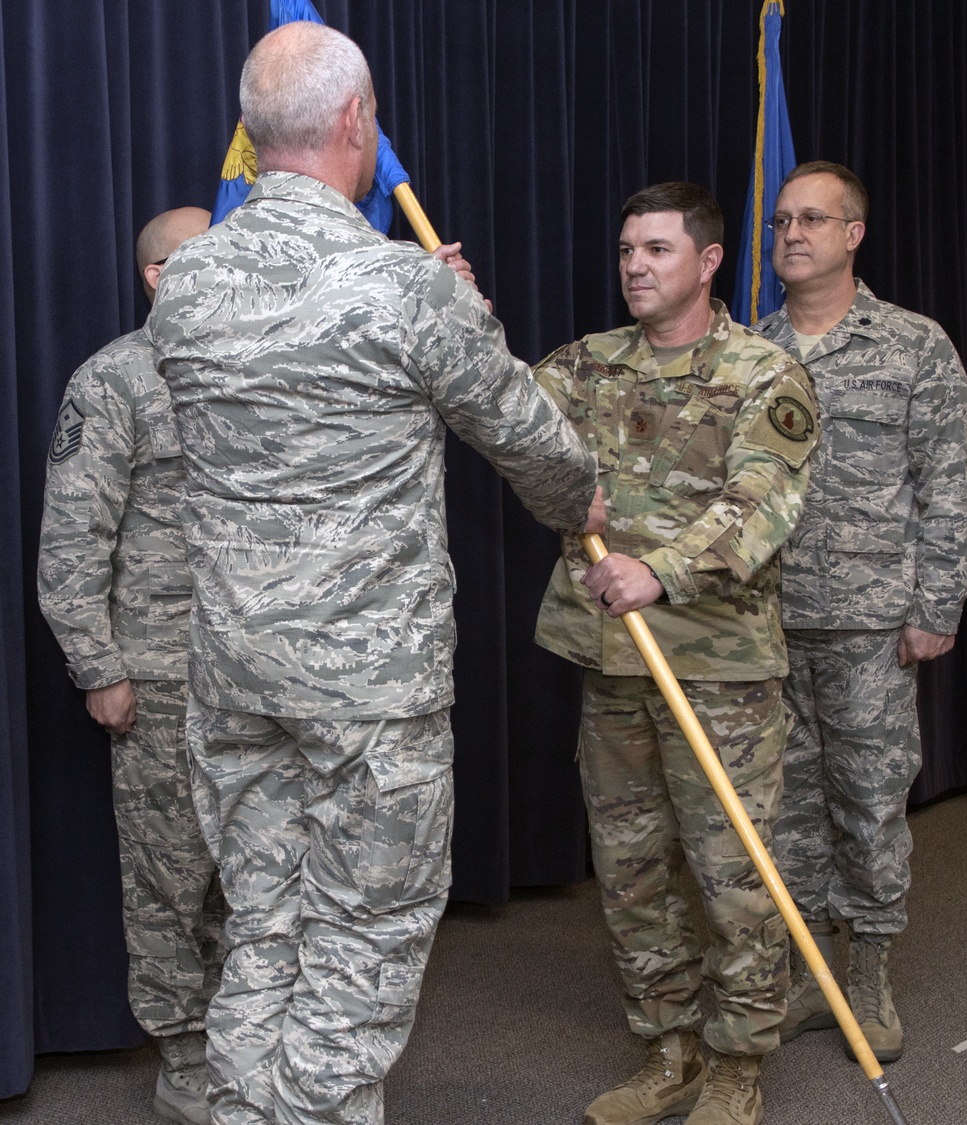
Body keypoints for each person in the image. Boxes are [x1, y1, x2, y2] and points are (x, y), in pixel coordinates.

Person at [148, 21, 603, 1125]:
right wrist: (575, 499)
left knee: (264, 921)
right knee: (359, 934)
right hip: (365, 686)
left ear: (255, 141)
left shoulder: (190, 281)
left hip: (235, 668)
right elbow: (530, 441)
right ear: (358, 122)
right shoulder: (401, 286)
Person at [534, 182, 820, 1125]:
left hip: (720, 668)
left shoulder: (762, 371)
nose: (635, 267)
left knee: (735, 873)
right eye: (626, 250)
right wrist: (462, 317)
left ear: (707, 260)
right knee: (632, 869)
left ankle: (741, 1060)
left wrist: (660, 568)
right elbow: (505, 418)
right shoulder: (584, 365)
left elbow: (763, 504)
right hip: (612, 662)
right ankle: (670, 1048)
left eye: (657, 249)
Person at [752, 161, 967, 1062]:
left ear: (854, 235)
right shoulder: (752, 346)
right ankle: (811, 972)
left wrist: (938, 601)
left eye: (813, 220)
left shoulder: (912, 345)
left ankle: (871, 973)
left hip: (871, 622)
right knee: (790, 806)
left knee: (870, 799)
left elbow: (949, 483)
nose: (793, 235)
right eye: (780, 222)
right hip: (766, 621)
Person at [37, 207, 225, 1125]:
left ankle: (244, 1039)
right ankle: (185, 1051)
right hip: (159, 679)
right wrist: (98, 667)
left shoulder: (260, 368)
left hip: (265, 679)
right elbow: (72, 542)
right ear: (157, 275)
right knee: (168, 881)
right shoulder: (115, 379)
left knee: (259, 874)